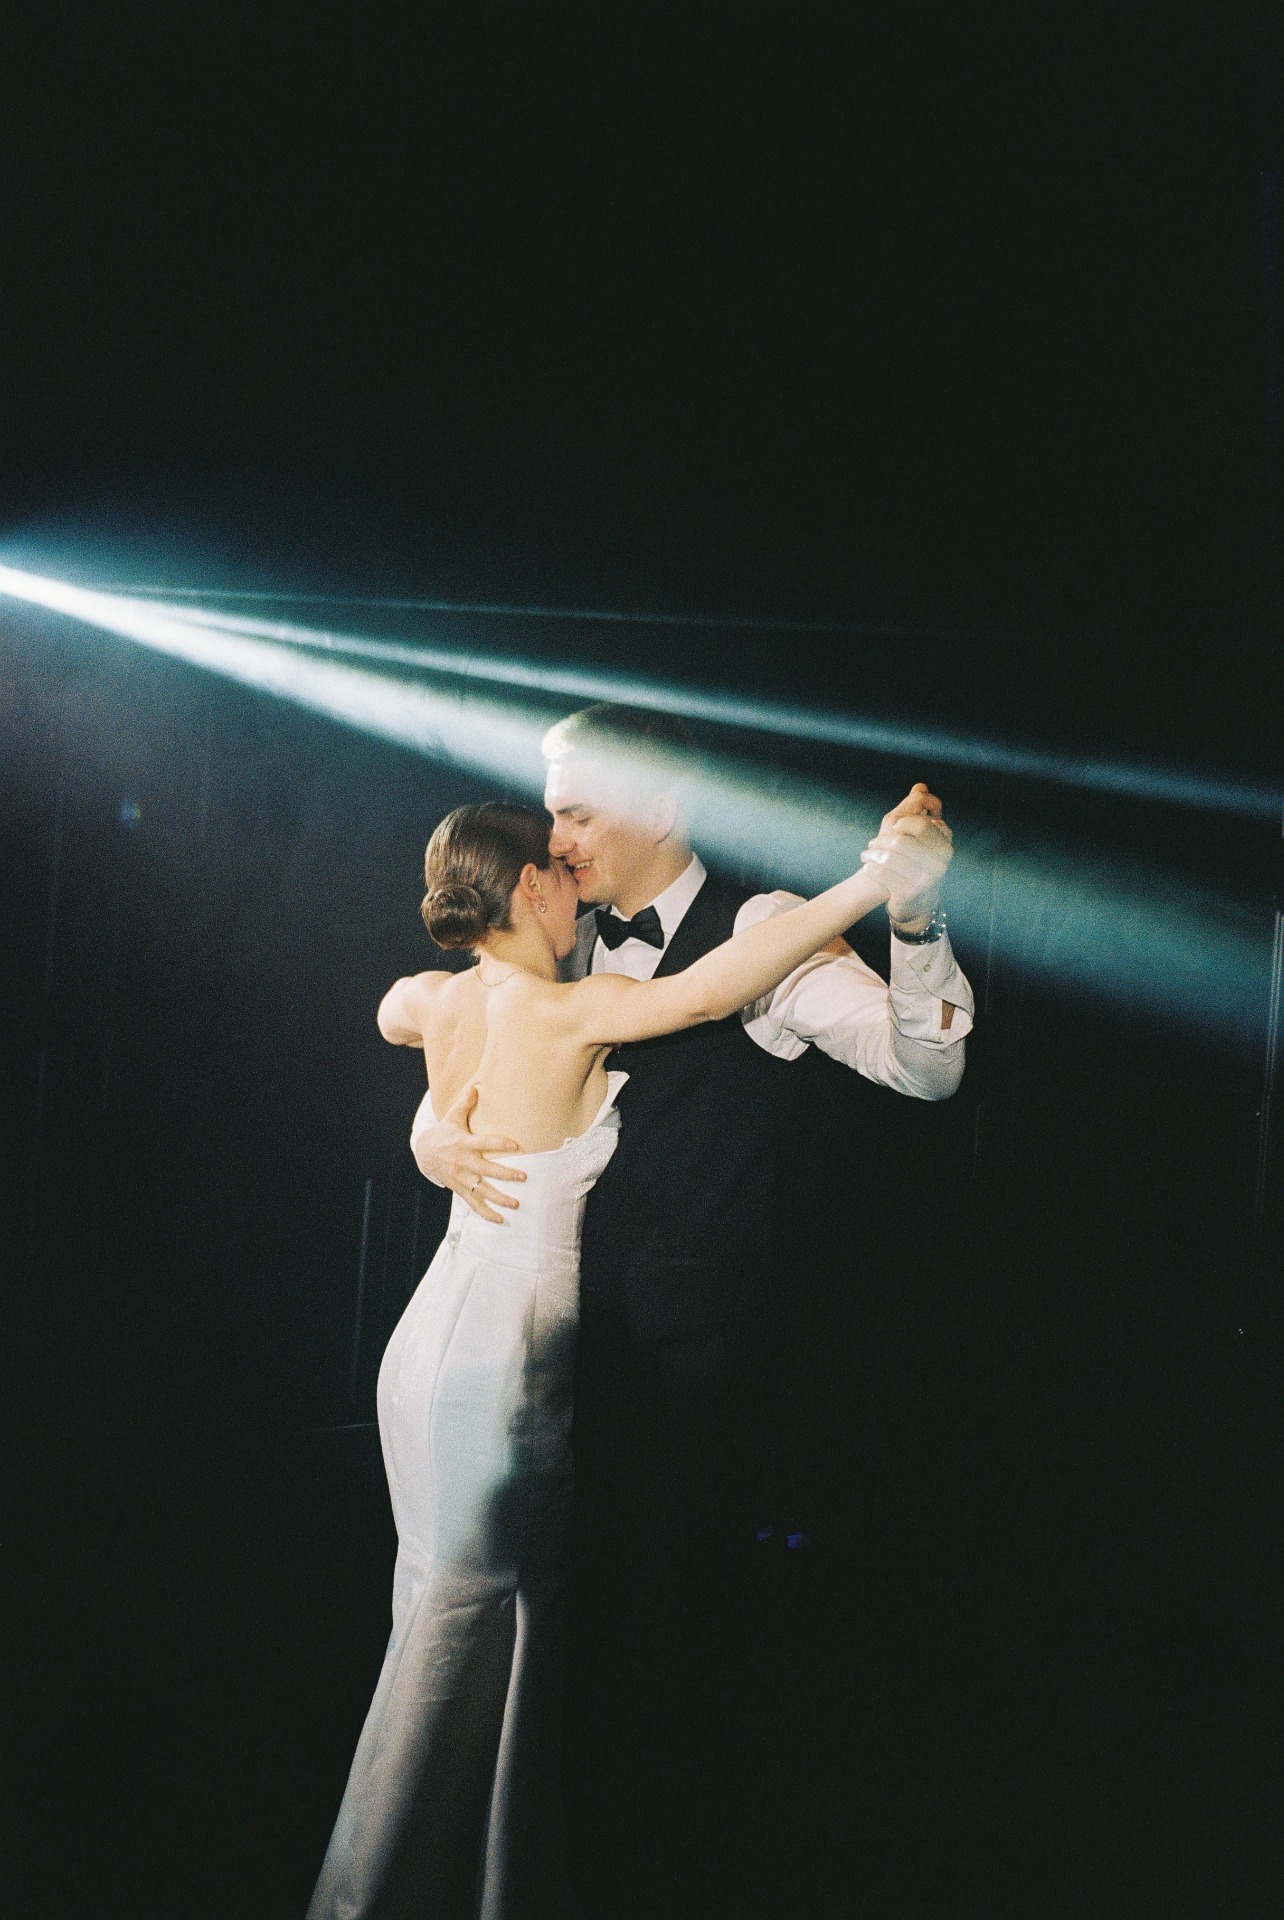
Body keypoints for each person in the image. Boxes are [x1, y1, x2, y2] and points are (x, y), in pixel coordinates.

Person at [306, 796, 933, 1920]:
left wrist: (432, 1127)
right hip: (502, 1354)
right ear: (530, 889)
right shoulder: (568, 1007)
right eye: (554, 859)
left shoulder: (449, 996)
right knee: (470, 1621)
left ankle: (486, 1881)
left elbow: (394, 1006)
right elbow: (705, 992)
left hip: (434, 1337)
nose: (571, 867)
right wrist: (867, 886)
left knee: (465, 1617)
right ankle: (389, 1891)